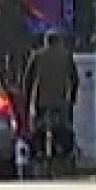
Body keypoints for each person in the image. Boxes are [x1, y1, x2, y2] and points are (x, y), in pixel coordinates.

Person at [23, 29, 79, 162]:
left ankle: (38, 152)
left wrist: (28, 97)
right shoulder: (66, 56)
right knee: (64, 127)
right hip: (61, 101)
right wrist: (72, 98)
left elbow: (28, 79)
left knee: (38, 128)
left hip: (41, 101)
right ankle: (65, 153)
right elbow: (75, 79)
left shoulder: (37, 56)